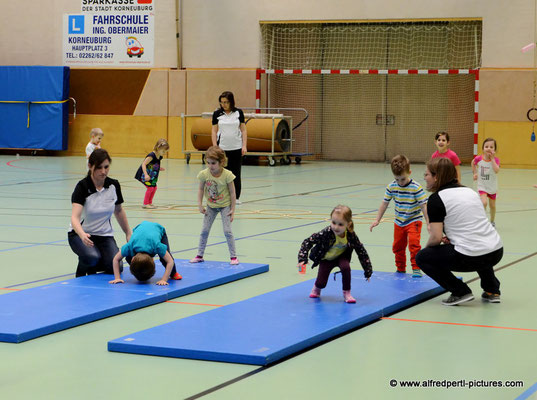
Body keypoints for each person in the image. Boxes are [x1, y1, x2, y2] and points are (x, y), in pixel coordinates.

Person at [416, 157, 503, 306]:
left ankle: (459, 291)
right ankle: (492, 290)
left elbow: (436, 237)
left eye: (427, 174)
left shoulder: (436, 199)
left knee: (423, 258)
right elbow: (473, 227)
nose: (424, 178)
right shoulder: (469, 191)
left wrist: (428, 251)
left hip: (471, 256)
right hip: (496, 250)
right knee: (478, 243)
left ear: (436, 177)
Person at [69, 149, 132, 277]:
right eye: (99, 168)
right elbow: (74, 218)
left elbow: (119, 211)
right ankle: (83, 268)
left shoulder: (113, 185)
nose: (103, 172)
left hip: (104, 235)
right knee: (92, 257)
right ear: (90, 166)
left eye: (106, 167)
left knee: (116, 266)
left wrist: (128, 232)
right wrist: (82, 235)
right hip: (80, 235)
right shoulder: (82, 187)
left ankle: (93, 263)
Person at [297, 205, 373, 303]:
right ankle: (317, 287)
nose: (336, 227)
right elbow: (308, 241)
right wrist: (302, 257)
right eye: (333, 223)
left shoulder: (350, 235)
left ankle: (347, 293)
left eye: (340, 224)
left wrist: (368, 270)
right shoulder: (326, 232)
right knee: (321, 282)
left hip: (342, 256)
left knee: (346, 267)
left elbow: (361, 251)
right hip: (327, 258)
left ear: (348, 224)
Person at [370, 155, 428, 277]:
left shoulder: (416, 188)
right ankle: (400, 268)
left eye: (402, 179)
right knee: (397, 246)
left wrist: (429, 223)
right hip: (399, 221)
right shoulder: (392, 186)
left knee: (414, 244)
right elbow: (384, 203)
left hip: (414, 220)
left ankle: (416, 268)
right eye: (397, 179)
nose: (400, 182)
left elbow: (424, 206)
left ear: (409, 172)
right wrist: (377, 219)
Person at [190, 146, 238, 265]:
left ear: (221, 162)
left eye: (213, 163)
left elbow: (232, 193)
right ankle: (199, 255)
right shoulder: (204, 174)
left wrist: (233, 209)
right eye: (208, 163)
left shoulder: (227, 175)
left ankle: (233, 257)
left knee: (227, 231)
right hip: (211, 206)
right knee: (204, 230)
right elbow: (201, 189)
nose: (210, 166)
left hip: (225, 206)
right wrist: (200, 204)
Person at [109, 221, 182, 286]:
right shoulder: (130, 246)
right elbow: (116, 259)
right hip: (140, 228)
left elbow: (170, 261)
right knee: (128, 257)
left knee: (165, 258)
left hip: (158, 229)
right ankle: (140, 269)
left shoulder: (156, 246)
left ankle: (174, 273)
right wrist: (117, 278)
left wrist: (164, 279)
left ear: (153, 260)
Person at [211, 91, 247, 204]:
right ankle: (221, 196)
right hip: (222, 149)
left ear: (231, 102)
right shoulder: (217, 114)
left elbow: (243, 130)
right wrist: (215, 146)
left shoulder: (238, 113)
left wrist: (244, 145)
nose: (224, 104)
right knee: (221, 173)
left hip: (236, 147)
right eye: (222, 102)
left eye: (226, 102)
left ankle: (235, 198)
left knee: (235, 173)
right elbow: (214, 130)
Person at [471, 137, 500, 227]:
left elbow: (496, 170)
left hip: (492, 187)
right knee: (484, 203)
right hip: (482, 186)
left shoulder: (496, 160)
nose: (489, 148)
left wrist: (492, 159)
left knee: (492, 206)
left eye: (491, 147)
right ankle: (483, 221)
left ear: (495, 149)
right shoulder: (479, 158)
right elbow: (473, 163)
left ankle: (492, 221)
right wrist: (475, 173)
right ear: (483, 148)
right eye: (486, 146)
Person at [134, 138, 169, 209]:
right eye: (163, 151)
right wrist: (146, 174)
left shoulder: (159, 156)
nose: (164, 153)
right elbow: (143, 164)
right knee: (150, 188)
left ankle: (149, 202)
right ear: (158, 148)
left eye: (165, 151)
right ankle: (145, 203)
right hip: (144, 174)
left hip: (152, 175)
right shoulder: (151, 156)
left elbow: (153, 164)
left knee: (154, 188)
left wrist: (159, 168)